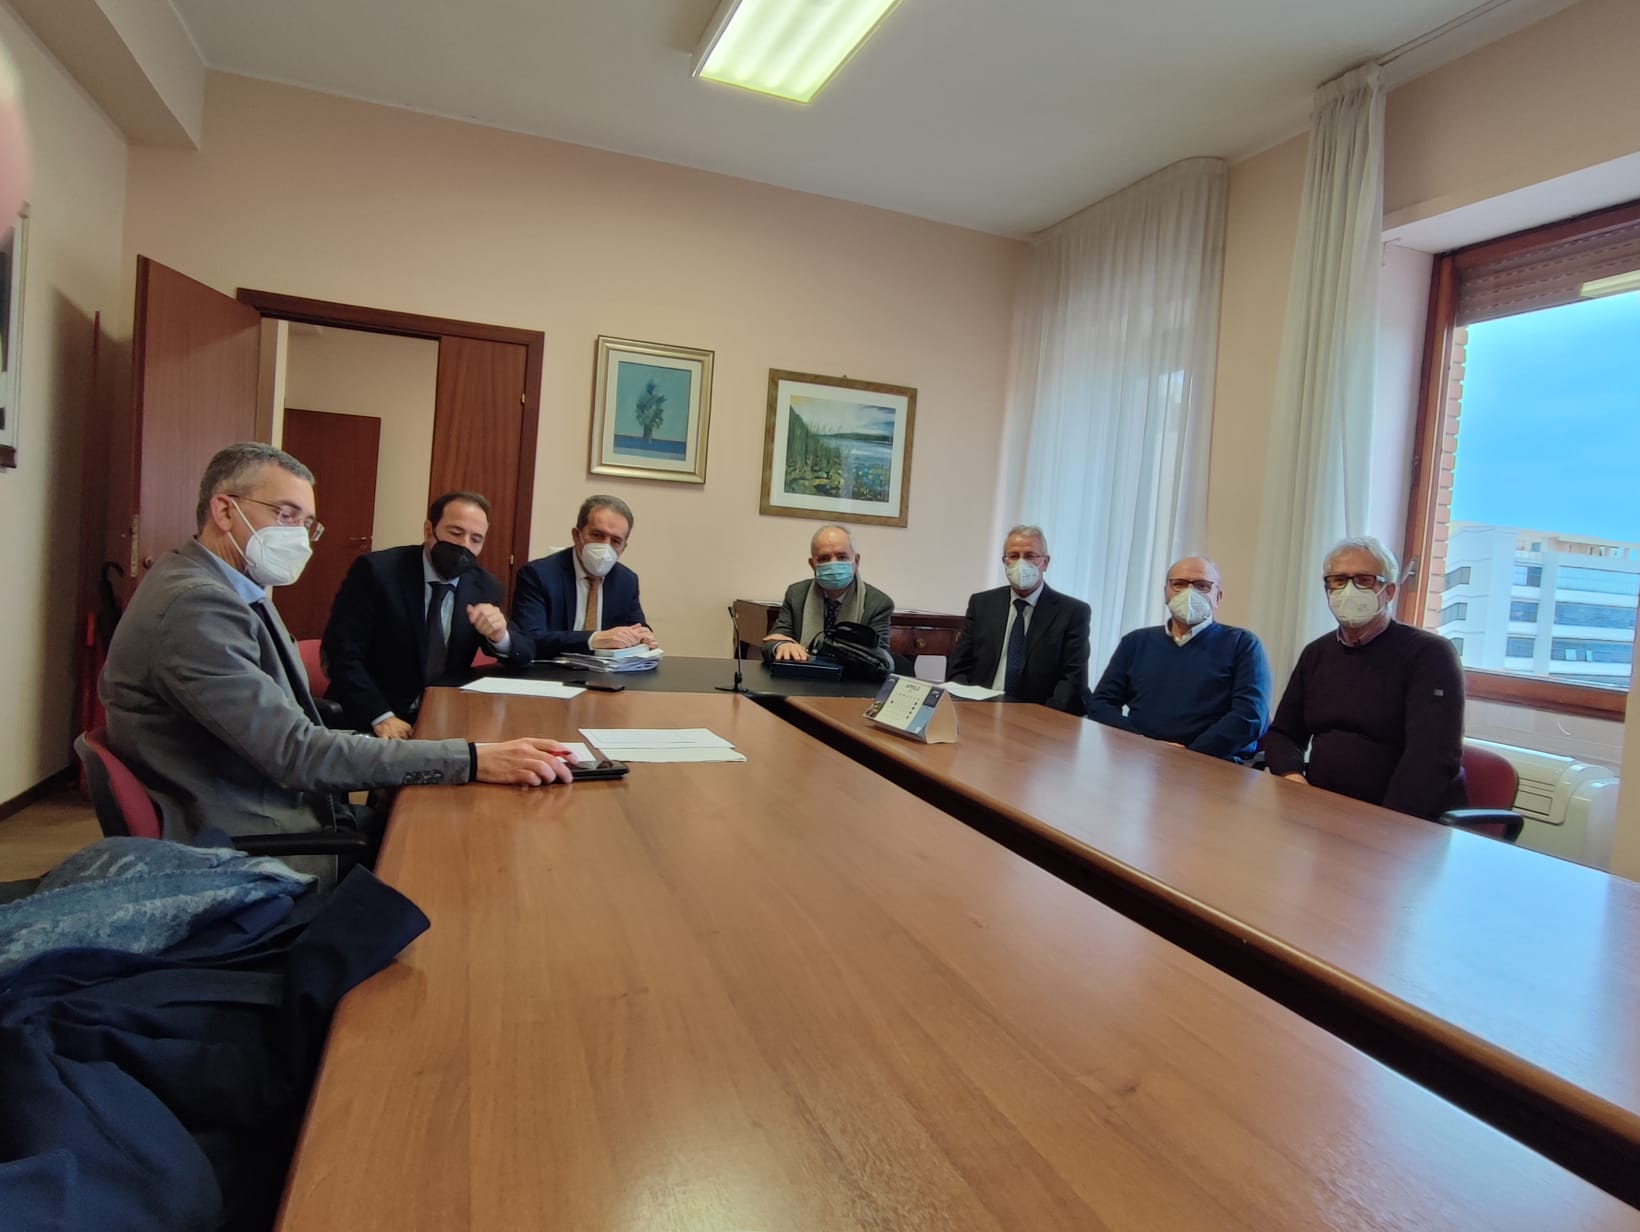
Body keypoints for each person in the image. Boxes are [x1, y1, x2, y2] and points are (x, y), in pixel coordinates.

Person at [100, 443, 577, 872]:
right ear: (225, 510)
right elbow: (296, 752)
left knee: (448, 823)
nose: (300, 537)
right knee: (454, 854)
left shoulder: (230, 588)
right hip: (247, 839)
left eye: (307, 523)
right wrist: (471, 759)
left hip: (282, 798)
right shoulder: (197, 605)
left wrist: (439, 754)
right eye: (286, 514)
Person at [1263, 535, 1466, 818]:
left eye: (1364, 580)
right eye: (1338, 580)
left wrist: (1383, 824)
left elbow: (1432, 758)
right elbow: (1284, 734)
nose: (1349, 590)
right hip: (1322, 808)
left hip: (1400, 820)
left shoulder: (1430, 654)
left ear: (1389, 591)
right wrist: (1294, 780)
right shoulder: (1316, 654)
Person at [321, 490, 533, 736]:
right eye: (455, 533)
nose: (464, 545)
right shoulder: (378, 571)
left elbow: (524, 651)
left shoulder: (485, 586)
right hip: (371, 717)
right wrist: (381, 716)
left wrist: (500, 636)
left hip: (443, 717)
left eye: (476, 539)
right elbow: (341, 654)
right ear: (429, 530)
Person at [1085, 556, 1271, 758]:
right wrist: (1142, 744)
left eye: (1202, 585)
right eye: (1179, 584)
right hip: (1139, 759)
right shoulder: (1136, 642)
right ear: (1166, 592)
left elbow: (1250, 716)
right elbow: (1101, 704)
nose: (1189, 592)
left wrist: (1189, 755)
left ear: (1218, 596)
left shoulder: (1243, 644)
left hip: (1213, 763)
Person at [946, 525, 1090, 713]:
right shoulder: (981, 604)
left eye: (1030, 556)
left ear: (1045, 563)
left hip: (1038, 716)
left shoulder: (1072, 612)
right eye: (1013, 556)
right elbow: (958, 668)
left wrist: (1043, 718)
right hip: (981, 710)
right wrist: (966, 705)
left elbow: (1072, 680)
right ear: (1004, 561)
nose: (1021, 563)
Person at [513, 495, 653, 659]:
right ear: (576, 535)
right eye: (597, 535)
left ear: (623, 548)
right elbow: (528, 639)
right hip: (550, 668)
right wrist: (593, 640)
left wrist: (643, 637)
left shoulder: (626, 581)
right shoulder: (538, 575)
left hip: (606, 671)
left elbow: (636, 626)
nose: (605, 546)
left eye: (615, 541)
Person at [762, 524, 894, 665]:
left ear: (856, 561)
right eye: (824, 558)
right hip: (802, 675)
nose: (833, 565)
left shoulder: (878, 603)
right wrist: (782, 645)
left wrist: (833, 650)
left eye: (842, 557)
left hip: (852, 677)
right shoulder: (796, 594)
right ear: (812, 564)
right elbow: (772, 641)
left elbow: (879, 659)